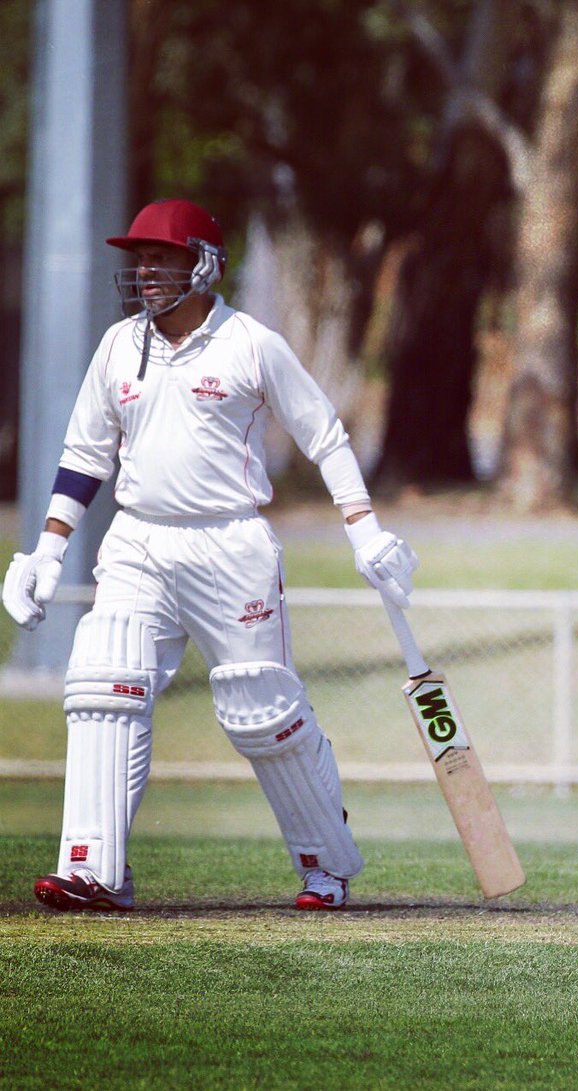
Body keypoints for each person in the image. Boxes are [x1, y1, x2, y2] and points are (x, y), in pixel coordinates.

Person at [2, 198, 417, 912]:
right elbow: (84, 456)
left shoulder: (251, 343)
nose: (147, 274)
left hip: (231, 541)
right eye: (140, 260)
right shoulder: (117, 346)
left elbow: (326, 437)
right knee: (104, 685)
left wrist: (366, 531)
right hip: (138, 538)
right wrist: (44, 550)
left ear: (204, 263)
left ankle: (326, 862)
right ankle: (93, 868)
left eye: (162, 258)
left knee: (263, 709)